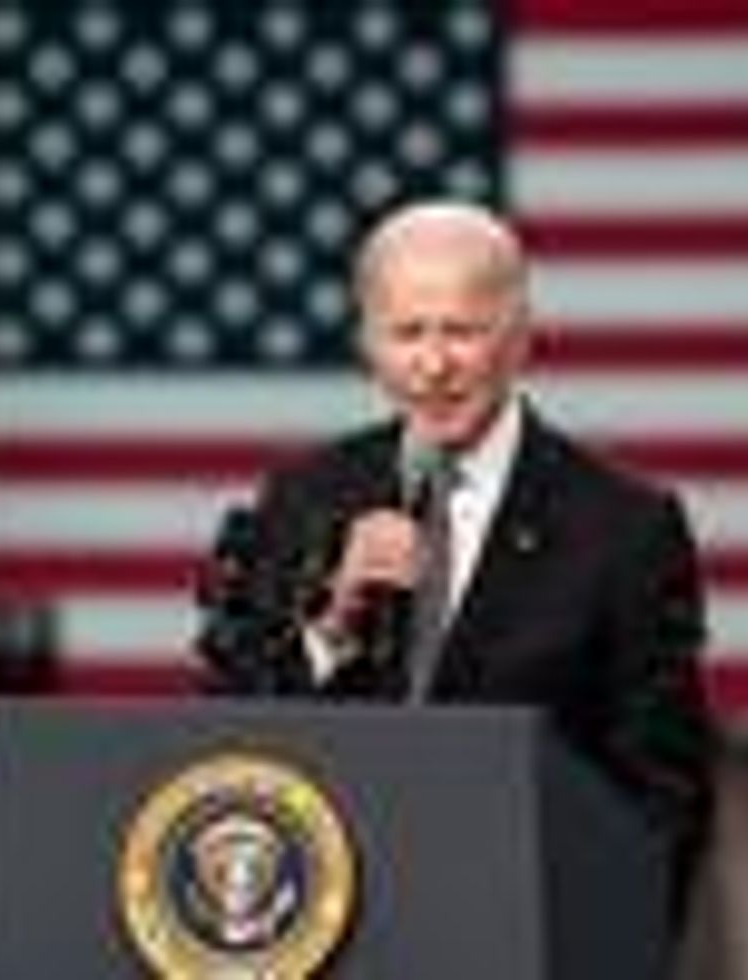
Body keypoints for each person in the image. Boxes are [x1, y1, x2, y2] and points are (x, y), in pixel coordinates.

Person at [196, 200, 713, 931]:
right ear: (368, 341)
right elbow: (232, 731)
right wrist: (332, 624)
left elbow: (664, 796)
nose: (433, 365)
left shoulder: (625, 526)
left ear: (521, 337)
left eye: (461, 332)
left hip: (523, 929)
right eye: (407, 333)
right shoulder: (306, 497)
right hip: (327, 927)